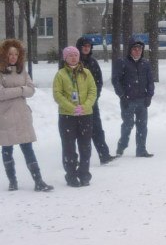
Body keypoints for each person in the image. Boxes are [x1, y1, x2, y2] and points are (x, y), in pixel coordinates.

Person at [0, 39, 53, 192]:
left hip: (22, 116)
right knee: (7, 149)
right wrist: (21, 90)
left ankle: (38, 181)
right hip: (5, 116)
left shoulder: (22, 70)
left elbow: (31, 90)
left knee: (28, 148)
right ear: (4, 55)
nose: (13, 57)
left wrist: (18, 90)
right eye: (10, 54)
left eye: (16, 54)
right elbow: (1, 94)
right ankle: (12, 181)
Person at [53, 45, 97, 187]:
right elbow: (57, 94)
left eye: (76, 55)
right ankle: (71, 175)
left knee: (85, 146)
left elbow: (92, 91)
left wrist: (85, 106)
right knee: (69, 147)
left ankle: (84, 173)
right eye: (70, 55)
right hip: (67, 116)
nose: (73, 57)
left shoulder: (86, 73)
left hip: (85, 115)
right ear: (65, 58)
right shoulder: (60, 74)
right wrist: (72, 108)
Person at [112, 36, 155, 157]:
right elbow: (116, 81)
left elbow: (150, 81)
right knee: (128, 124)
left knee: (142, 126)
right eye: (135, 49)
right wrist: (122, 96)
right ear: (130, 50)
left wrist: (149, 96)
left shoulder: (145, 64)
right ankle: (122, 144)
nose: (137, 51)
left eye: (140, 49)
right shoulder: (122, 63)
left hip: (142, 100)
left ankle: (141, 149)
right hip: (128, 100)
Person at [76, 36, 115, 164]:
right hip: (76, 104)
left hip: (92, 103)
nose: (86, 48)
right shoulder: (73, 62)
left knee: (97, 129)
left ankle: (104, 155)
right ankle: (74, 159)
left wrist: (94, 97)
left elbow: (99, 82)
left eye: (89, 46)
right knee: (76, 132)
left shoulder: (93, 62)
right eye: (84, 46)